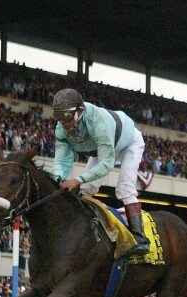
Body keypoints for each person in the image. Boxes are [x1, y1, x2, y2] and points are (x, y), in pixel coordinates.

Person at [51, 88, 150, 255]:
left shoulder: (98, 122)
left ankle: (140, 239)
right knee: (86, 190)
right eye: (58, 117)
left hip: (128, 143)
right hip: (101, 148)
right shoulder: (61, 128)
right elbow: (62, 160)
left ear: (80, 111)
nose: (62, 123)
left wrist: (77, 180)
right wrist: (57, 179)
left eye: (66, 117)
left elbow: (106, 164)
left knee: (124, 188)